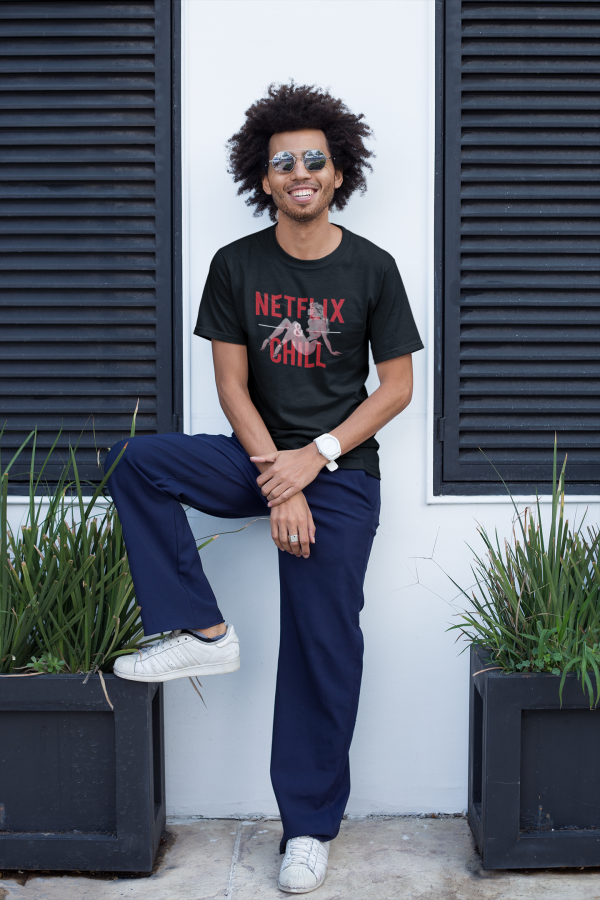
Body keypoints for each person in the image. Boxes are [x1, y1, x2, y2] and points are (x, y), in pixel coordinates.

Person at [107, 82, 423, 895]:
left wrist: (313, 461)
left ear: (340, 172)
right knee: (138, 462)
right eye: (283, 163)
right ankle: (201, 628)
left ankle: (310, 828)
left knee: (324, 647)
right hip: (262, 461)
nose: (300, 172)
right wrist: (279, 485)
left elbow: (394, 390)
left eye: (314, 159)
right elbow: (231, 387)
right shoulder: (236, 265)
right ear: (265, 178)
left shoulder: (373, 268)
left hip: (343, 476)